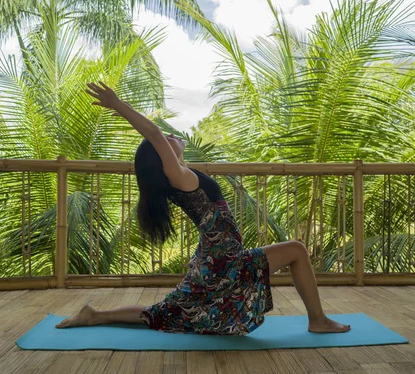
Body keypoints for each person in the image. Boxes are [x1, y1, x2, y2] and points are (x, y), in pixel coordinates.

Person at [56, 82, 351, 335]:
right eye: (167, 141)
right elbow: (156, 135)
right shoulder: (180, 178)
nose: (171, 138)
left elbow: (161, 141)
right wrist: (118, 105)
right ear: (163, 160)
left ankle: (94, 315)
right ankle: (318, 320)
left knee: (165, 310)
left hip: (212, 261)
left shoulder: (181, 176)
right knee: (297, 250)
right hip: (225, 262)